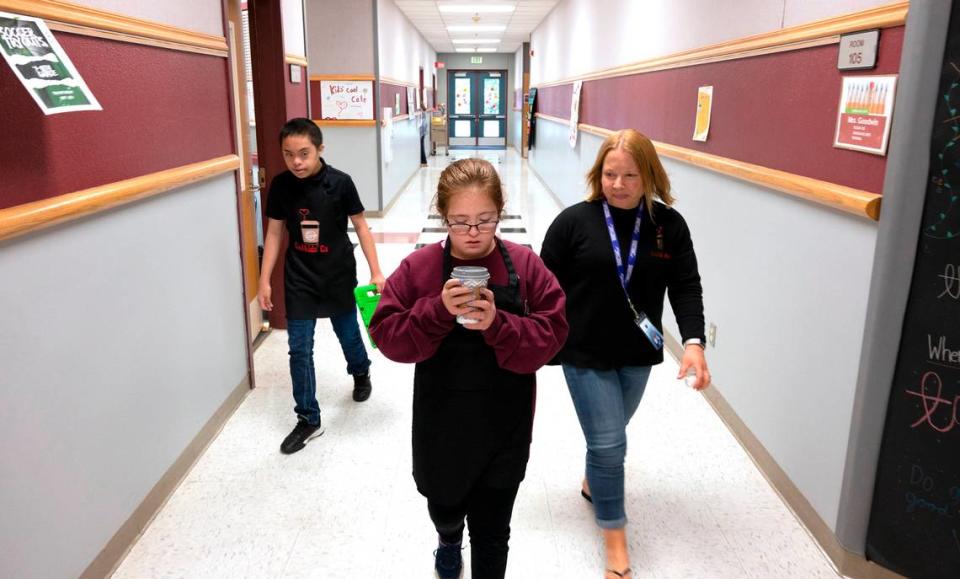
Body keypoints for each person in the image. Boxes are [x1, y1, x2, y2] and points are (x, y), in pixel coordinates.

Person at [369, 158, 568, 578]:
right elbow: (386, 335)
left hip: (505, 424)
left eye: (485, 220)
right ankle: (447, 536)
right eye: (460, 222)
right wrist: (437, 311)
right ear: (443, 217)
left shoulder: (526, 267)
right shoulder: (419, 268)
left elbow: (552, 335)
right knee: (444, 507)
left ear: (501, 211)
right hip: (442, 423)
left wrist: (500, 324)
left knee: (494, 532)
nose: (474, 234)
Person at [540, 129, 710, 579]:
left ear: (649, 175)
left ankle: (593, 479)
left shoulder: (667, 226)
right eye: (610, 174)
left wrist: (693, 343)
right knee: (611, 442)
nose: (618, 184)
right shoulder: (574, 222)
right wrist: (529, 338)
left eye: (630, 175)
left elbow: (686, 286)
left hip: (638, 351)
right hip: (583, 350)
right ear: (599, 174)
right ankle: (615, 540)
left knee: (609, 432)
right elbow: (541, 285)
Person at [259, 118, 385, 455]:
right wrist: (264, 279)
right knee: (299, 348)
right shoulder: (281, 186)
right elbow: (273, 233)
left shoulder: (341, 183)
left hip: (337, 273)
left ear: (320, 150)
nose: (296, 162)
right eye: (288, 155)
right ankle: (308, 418)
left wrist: (376, 271)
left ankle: (360, 372)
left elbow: (361, 226)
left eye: (304, 153)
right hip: (299, 276)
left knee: (347, 333)